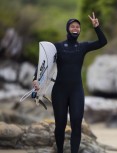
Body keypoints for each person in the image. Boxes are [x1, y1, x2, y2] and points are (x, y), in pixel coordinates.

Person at [32, 12, 107, 153]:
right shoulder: (57, 47)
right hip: (60, 90)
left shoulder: (83, 47)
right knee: (60, 125)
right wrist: (35, 79)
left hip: (76, 90)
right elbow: (43, 63)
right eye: (72, 26)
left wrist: (97, 27)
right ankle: (59, 150)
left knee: (76, 124)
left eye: (78, 27)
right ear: (68, 28)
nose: (75, 29)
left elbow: (102, 42)